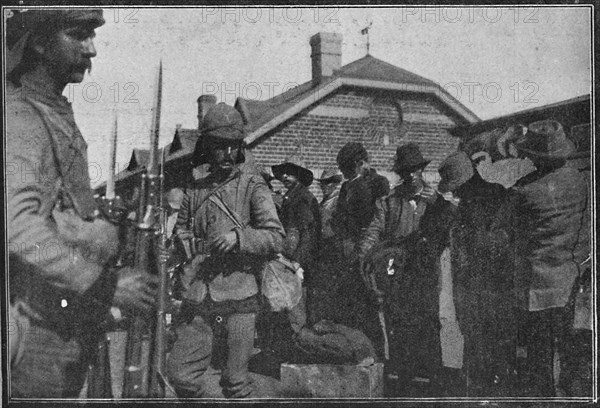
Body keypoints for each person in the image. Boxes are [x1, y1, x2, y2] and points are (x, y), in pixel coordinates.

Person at [6, 9, 157, 397]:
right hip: (34, 328)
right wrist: (104, 285)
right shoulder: (20, 116)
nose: (92, 50)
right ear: (39, 42)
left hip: (63, 321)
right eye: (78, 35)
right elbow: (16, 226)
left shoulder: (52, 109)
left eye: (93, 37)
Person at [166, 103, 285, 398]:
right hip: (201, 295)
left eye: (234, 147)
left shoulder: (253, 185)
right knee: (180, 373)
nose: (228, 155)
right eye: (220, 147)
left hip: (240, 296)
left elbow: (275, 237)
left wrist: (239, 238)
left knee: (235, 381)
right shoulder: (195, 190)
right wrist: (182, 242)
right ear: (207, 148)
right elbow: (181, 232)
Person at [509, 120, 589, 397]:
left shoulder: (523, 191)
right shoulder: (580, 181)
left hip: (536, 287)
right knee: (568, 349)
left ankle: (544, 400)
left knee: (538, 355)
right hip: (569, 280)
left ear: (533, 156)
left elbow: (508, 232)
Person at [378, 143, 455, 391]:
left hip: (425, 274)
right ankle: (403, 386)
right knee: (398, 330)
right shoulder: (391, 200)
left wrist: (437, 204)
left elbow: (451, 225)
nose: (412, 175)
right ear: (401, 173)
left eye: (416, 170)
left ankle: (435, 386)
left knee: (428, 329)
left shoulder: (435, 200)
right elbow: (380, 235)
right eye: (406, 171)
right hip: (397, 274)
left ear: (422, 170)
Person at [440, 151, 517, 396]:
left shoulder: (479, 204)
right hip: (494, 285)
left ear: (465, 183)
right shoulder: (495, 195)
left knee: (481, 343)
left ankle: (483, 391)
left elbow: (492, 243)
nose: (455, 194)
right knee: (492, 345)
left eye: (456, 188)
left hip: (483, 286)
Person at [330, 142, 388, 343]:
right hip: (349, 248)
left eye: (347, 168)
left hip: (364, 250)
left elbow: (372, 221)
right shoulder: (348, 186)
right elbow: (339, 216)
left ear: (359, 163)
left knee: (368, 301)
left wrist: (360, 248)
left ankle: (376, 350)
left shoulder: (373, 184)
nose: (344, 173)